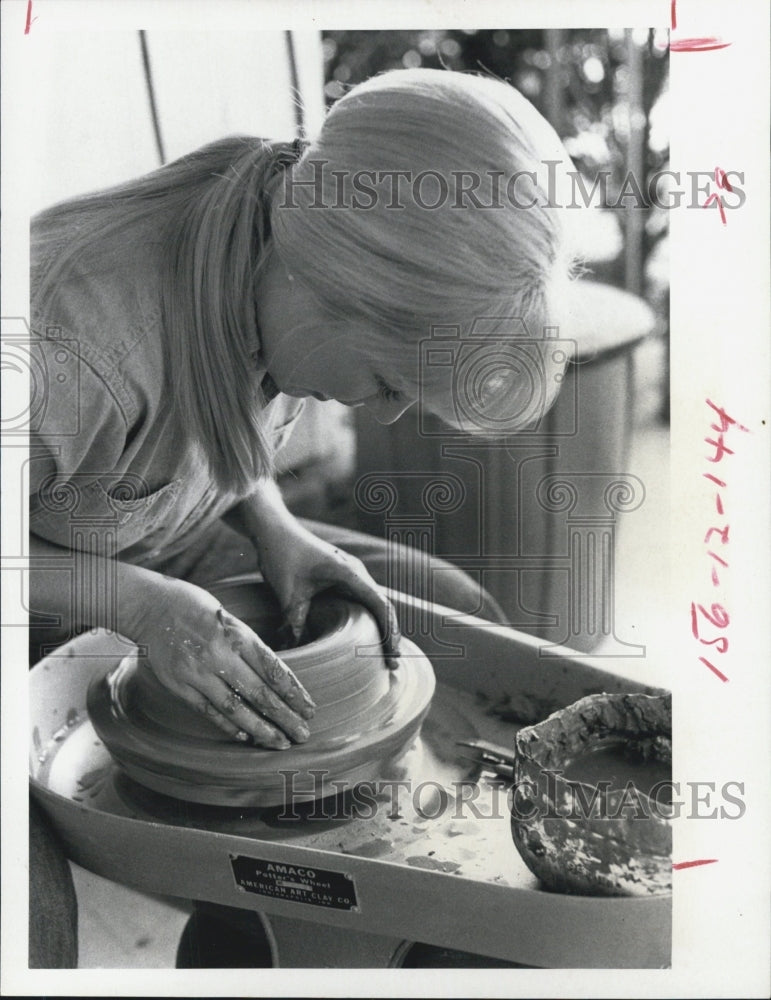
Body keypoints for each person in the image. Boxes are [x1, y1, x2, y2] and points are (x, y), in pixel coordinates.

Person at [28, 68, 577, 966]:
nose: (386, 411)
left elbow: (201, 420)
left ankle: (257, 933)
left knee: (450, 613)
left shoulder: (276, 224)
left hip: (137, 544)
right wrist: (134, 605)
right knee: (26, 924)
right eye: (391, 383)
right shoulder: (73, 339)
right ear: (331, 284)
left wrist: (274, 526)